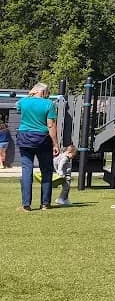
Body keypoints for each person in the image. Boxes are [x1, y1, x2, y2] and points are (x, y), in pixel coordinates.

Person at [16, 82, 59, 212]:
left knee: (26, 170)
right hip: (42, 138)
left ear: (34, 90)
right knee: (46, 170)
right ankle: (45, 203)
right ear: (44, 92)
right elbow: (51, 125)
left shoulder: (23, 102)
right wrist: (55, 143)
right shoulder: (49, 104)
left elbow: (19, 109)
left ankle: (26, 204)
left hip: (25, 137)